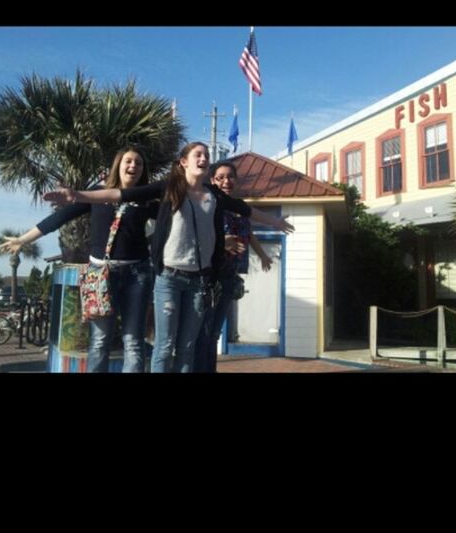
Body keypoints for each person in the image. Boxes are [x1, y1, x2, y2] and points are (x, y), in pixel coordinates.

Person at [45, 141, 294, 373]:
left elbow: (244, 209)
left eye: (206, 155)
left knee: (186, 346)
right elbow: (120, 195)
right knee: (165, 346)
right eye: (198, 154)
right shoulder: (169, 188)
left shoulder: (214, 195)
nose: (204, 158)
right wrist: (77, 196)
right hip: (169, 279)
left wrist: (275, 221)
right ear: (184, 162)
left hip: (199, 281)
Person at [0, 148, 161, 372]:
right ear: (118, 164)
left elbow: (178, 217)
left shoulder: (146, 200)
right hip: (100, 275)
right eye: (129, 161)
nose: (133, 166)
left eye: (139, 163)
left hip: (138, 275)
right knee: (99, 341)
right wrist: (22, 240)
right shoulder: (96, 194)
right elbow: (59, 217)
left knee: (133, 342)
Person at [194, 160, 273, 373]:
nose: (226, 181)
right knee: (205, 331)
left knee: (214, 333)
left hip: (230, 276)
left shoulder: (239, 205)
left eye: (230, 177)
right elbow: (198, 233)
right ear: (212, 181)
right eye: (220, 177)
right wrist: (223, 239)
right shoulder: (209, 204)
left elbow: (250, 232)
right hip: (210, 277)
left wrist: (263, 255)